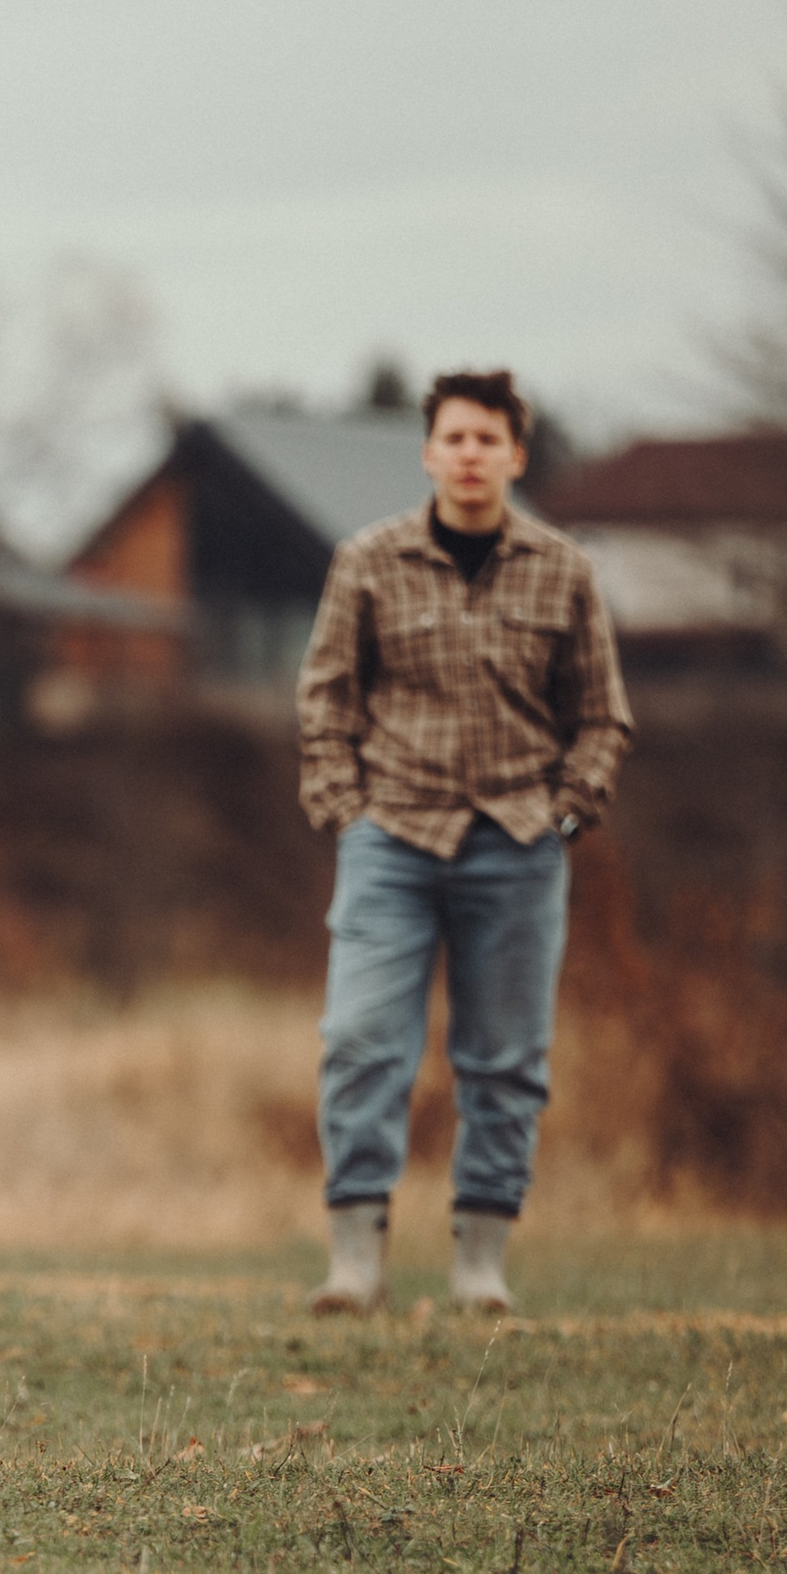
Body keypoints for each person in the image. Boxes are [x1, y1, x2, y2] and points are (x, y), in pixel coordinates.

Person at [293, 367, 632, 1314]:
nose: (471, 455)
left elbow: (602, 716)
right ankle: (355, 1262)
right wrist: (344, 805)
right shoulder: (368, 560)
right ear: (429, 451)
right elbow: (324, 696)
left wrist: (570, 806)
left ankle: (481, 1262)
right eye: (455, 437)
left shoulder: (564, 570)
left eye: (489, 439)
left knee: (506, 1056)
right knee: (361, 1041)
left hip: (518, 843)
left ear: (516, 454)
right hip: (391, 837)